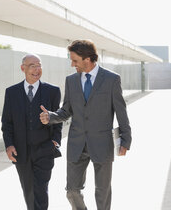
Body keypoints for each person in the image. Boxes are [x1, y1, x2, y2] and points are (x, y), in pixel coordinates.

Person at [40, 40, 132, 210]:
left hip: (102, 143)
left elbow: (121, 112)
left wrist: (125, 140)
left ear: (87, 59)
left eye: (75, 60)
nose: (72, 64)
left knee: (102, 191)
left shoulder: (111, 79)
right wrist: (51, 116)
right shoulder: (71, 81)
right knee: (72, 190)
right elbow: (66, 111)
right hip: (77, 144)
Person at [2, 54, 62, 210]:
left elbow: (58, 121)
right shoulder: (11, 92)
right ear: (23, 68)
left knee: (41, 191)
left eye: (39, 65)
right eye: (32, 66)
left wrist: (55, 141)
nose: (37, 69)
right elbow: (7, 123)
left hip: (45, 150)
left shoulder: (53, 91)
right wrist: (9, 145)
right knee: (28, 191)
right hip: (20, 152)